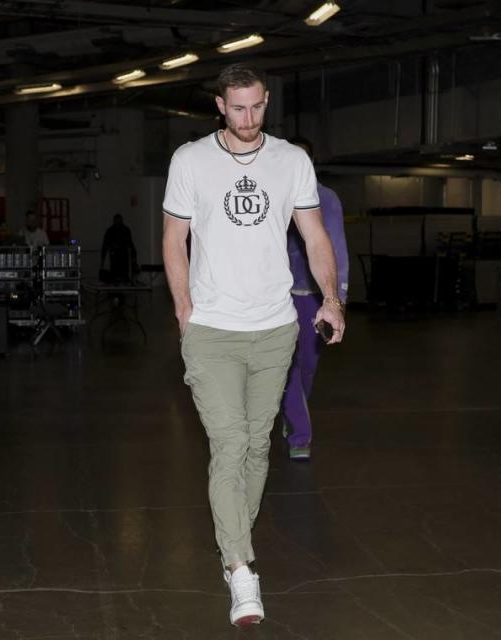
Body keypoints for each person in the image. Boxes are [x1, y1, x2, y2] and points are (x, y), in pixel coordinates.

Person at [161, 63, 345, 628]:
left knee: (259, 448)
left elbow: (314, 234)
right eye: (237, 108)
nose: (248, 119)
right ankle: (241, 569)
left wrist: (331, 300)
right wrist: (185, 313)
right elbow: (174, 238)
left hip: (275, 328)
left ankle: (234, 543)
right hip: (213, 330)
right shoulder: (190, 160)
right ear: (220, 105)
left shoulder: (291, 160)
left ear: (267, 102)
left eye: (257, 107)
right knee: (230, 443)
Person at [281, 137, 349, 461]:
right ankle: (300, 436)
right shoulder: (274, 195)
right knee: (287, 367)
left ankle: (294, 411)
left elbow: (336, 247)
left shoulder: (327, 198)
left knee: (307, 367)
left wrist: (338, 299)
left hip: (313, 299)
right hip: (279, 298)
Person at [101, 214, 138, 283]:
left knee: (123, 271)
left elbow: (130, 242)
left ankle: (121, 283)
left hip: (123, 254)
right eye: (117, 221)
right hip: (115, 254)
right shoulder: (111, 231)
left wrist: (134, 255)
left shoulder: (124, 230)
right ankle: (117, 284)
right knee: (115, 272)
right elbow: (105, 244)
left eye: (119, 221)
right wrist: (103, 258)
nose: (118, 222)